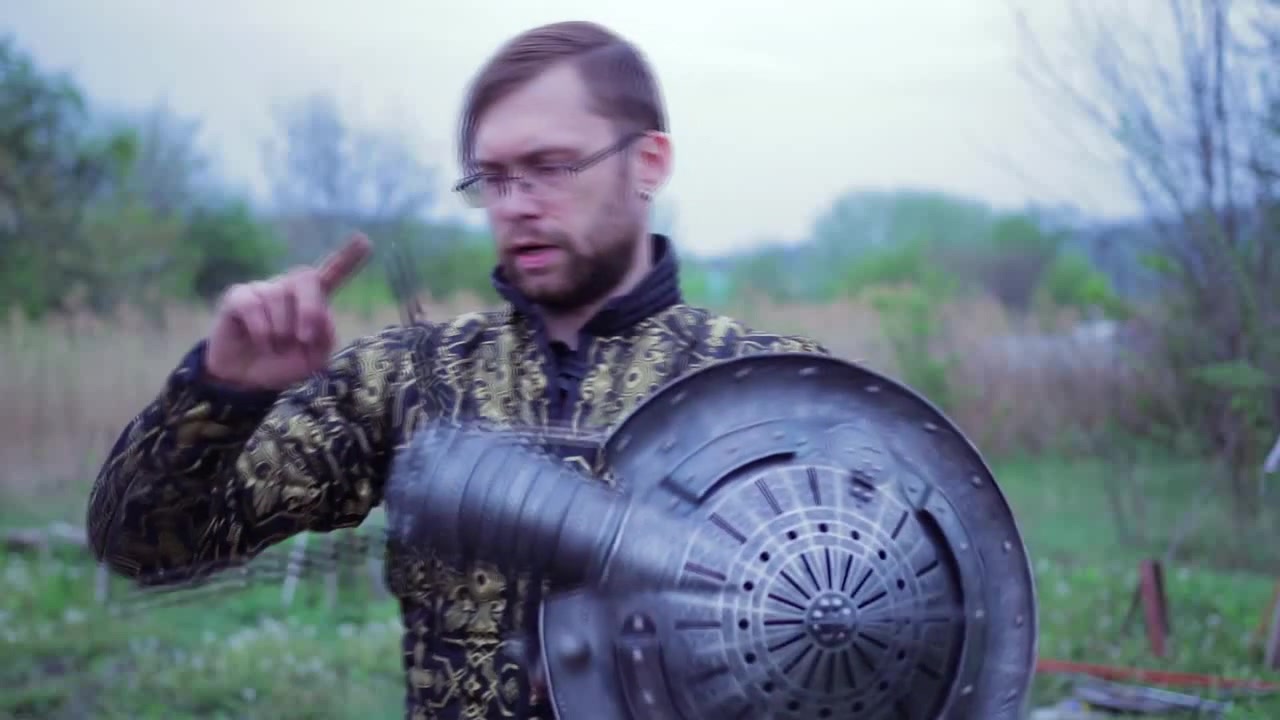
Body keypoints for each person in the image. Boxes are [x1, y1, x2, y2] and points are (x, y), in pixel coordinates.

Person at [86, 20, 826, 720]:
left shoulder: (767, 389)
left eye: (551, 167)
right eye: (492, 178)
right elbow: (145, 546)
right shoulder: (409, 378)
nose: (516, 205)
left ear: (649, 163)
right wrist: (223, 393)